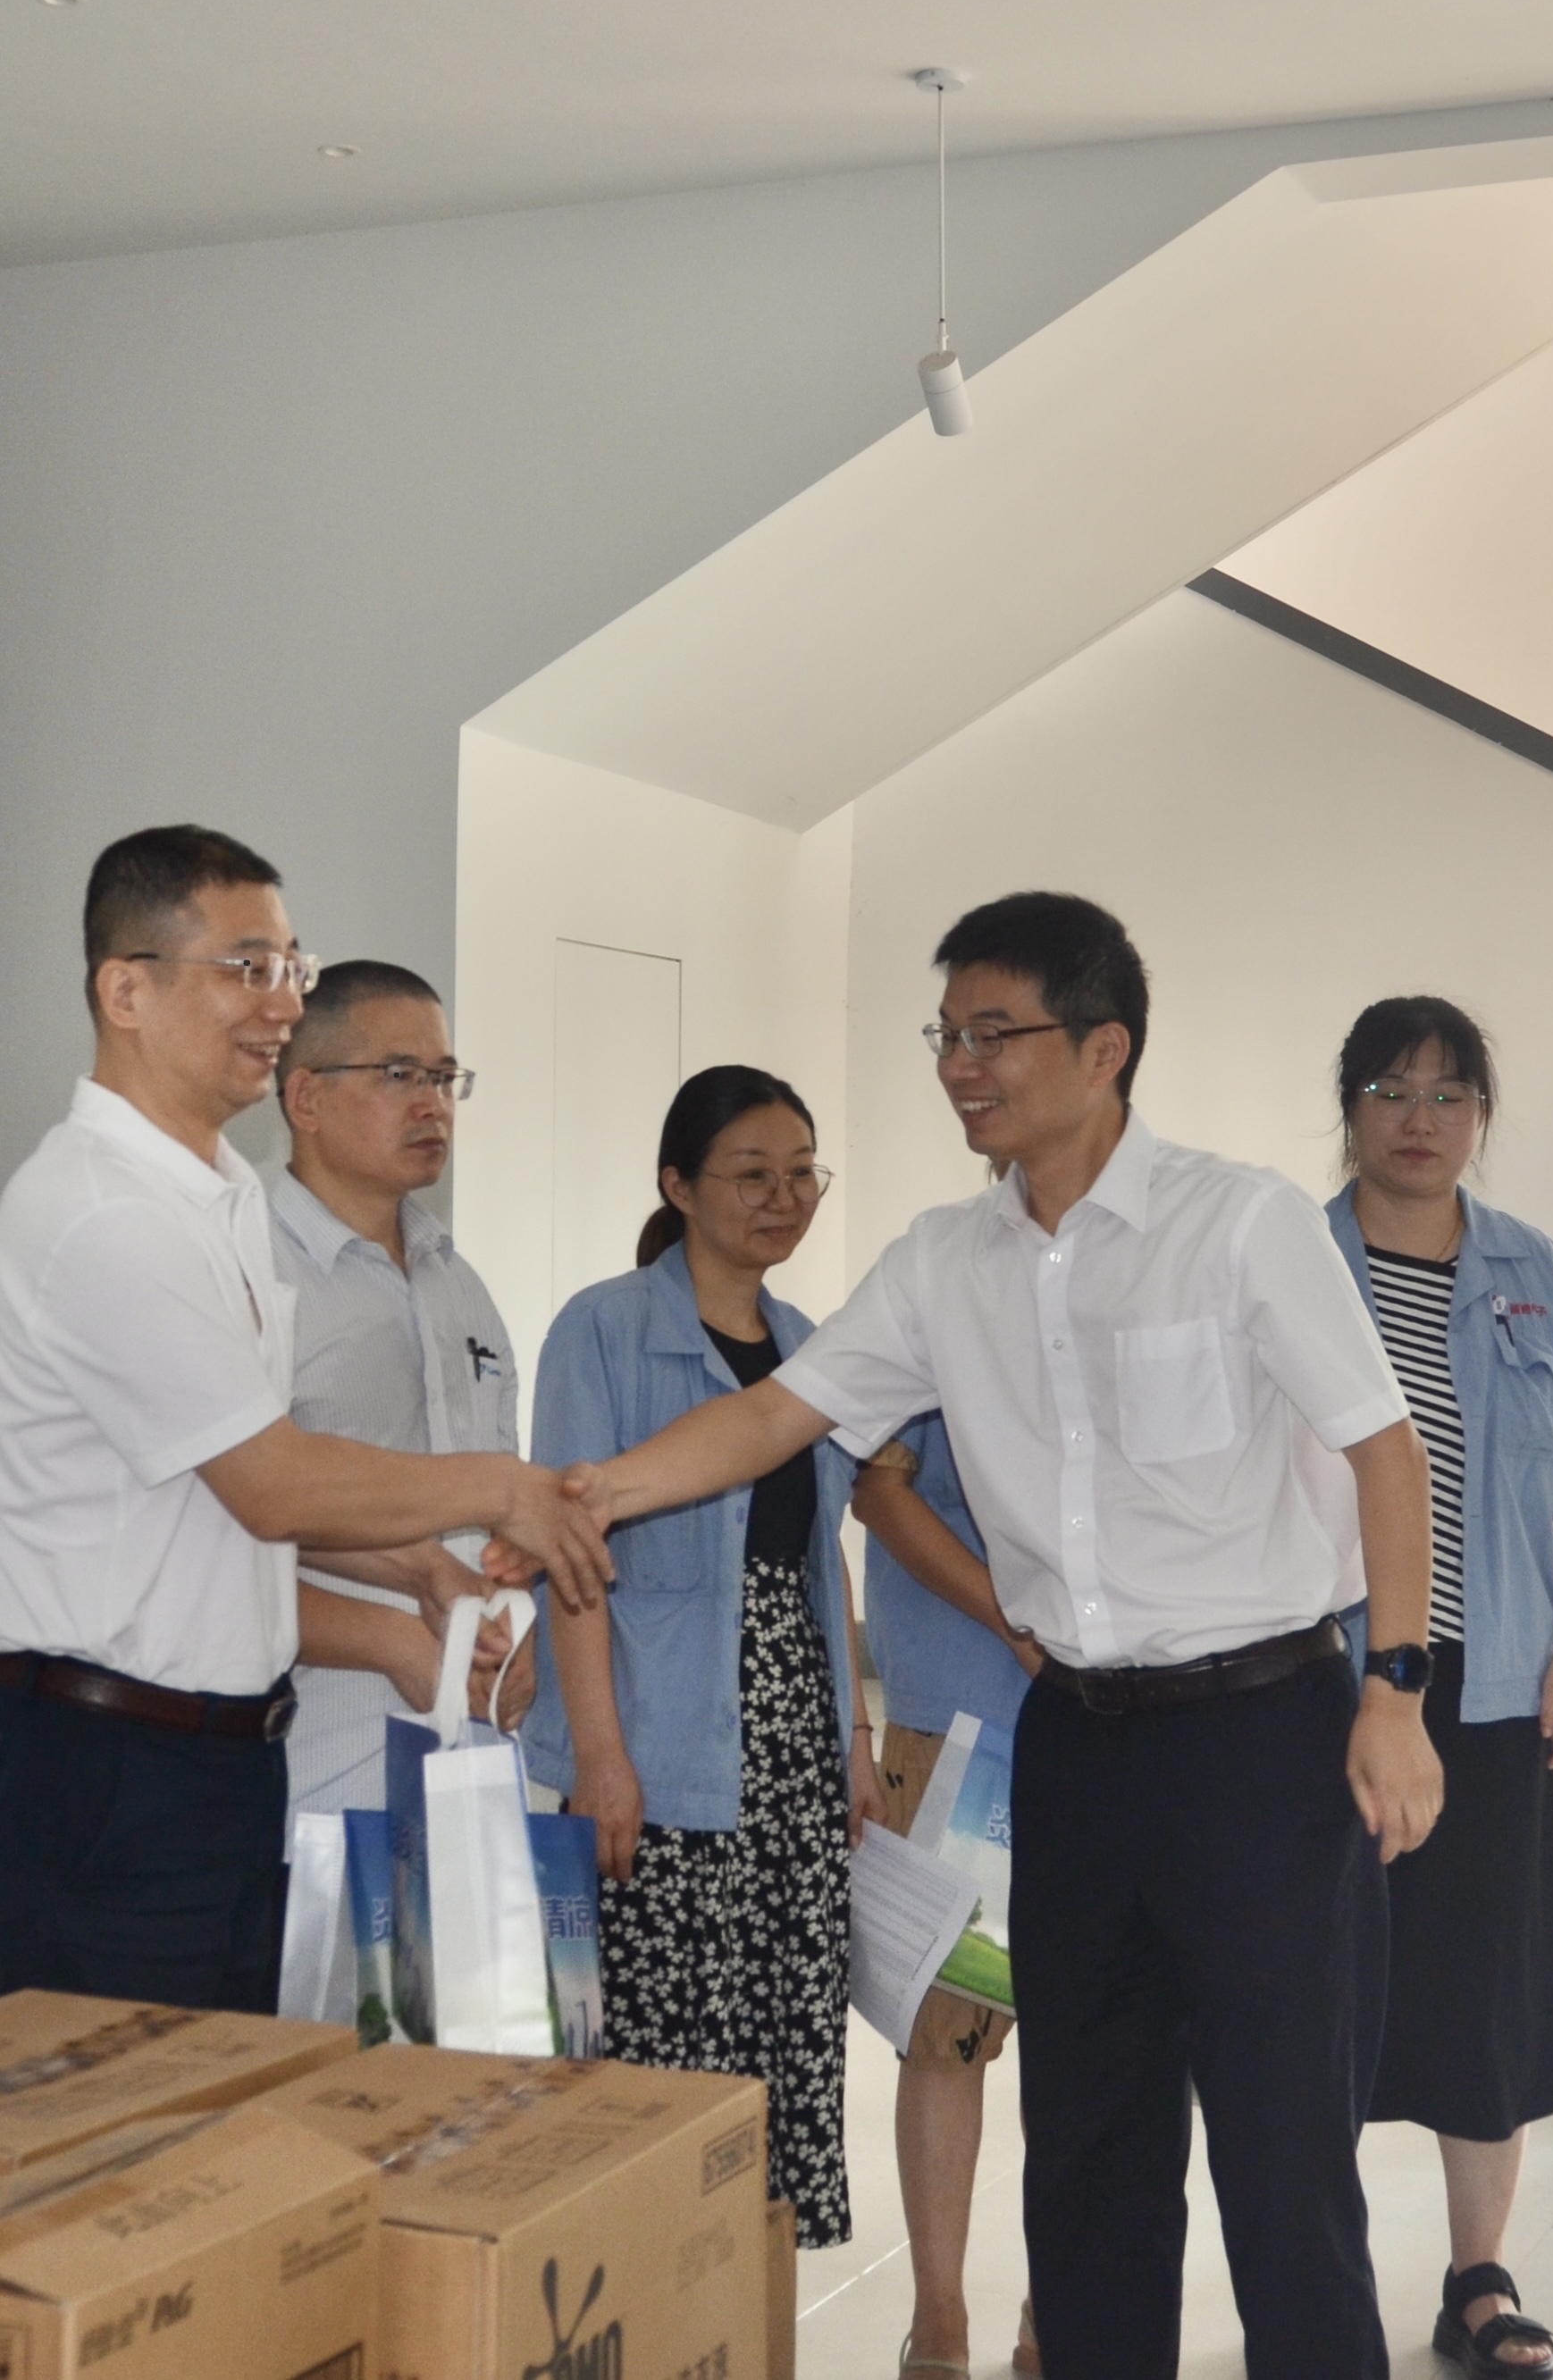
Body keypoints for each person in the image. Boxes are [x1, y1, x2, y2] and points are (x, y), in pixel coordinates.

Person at [529, 892, 1446, 2380]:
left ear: (1103, 1049)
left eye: (993, 1034)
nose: (960, 1066)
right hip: (1072, 1736)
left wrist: (1393, 1693)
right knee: (1083, 2149)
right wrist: (589, 1493)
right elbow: (777, 1414)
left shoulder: (1237, 1223)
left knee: (1282, 2155)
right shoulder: (940, 1259)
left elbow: (1382, 1449)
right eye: (946, 1036)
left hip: (1260, 1733)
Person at [0, 825, 611, 2013]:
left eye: (290, 967)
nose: (282, 1002)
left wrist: (417, 1567)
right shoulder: (102, 1210)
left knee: (248, 2117)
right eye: (247, 967)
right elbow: (273, 1484)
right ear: (126, 991)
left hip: (221, 1765)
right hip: (107, 1766)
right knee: (137, 2123)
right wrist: (500, 1490)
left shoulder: (215, 1197)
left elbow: (217, 1500)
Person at [1324, 997, 1553, 2380]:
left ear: (1479, 1116)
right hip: (1325, 1682)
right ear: (1347, 1106)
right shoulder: (1291, 1265)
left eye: (1447, 1094)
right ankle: (1314, 2281)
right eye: (1390, 1090)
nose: (1419, 1119)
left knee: (1484, 1985)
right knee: (1316, 1987)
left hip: (1492, 1682)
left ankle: (1478, 2274)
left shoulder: (1531, 1268)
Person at [520, 1066, 883, 2251]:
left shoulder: (809, 1349)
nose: (784, 1199)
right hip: (660, 1745)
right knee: (659, 2058)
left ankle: (747, 2303)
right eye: (751, 1174)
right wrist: (600, 1755)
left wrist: (853, 1740)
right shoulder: (603, 1330)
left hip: (790, 1748)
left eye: (802, 1174)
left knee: (779, 2040)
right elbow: (569, 1557)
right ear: (677, 1186)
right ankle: (651, 2299)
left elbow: (819, 1559)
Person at [267, 960, 533, 1816]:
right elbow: (209, 1541)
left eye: (444, 1078)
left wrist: (517, 1616)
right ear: (306, 1097)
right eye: (398, 1075)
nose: (433, 1104)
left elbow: (496, 1508)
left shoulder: (458, 1280)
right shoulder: (251, 1273)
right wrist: (389, 1641)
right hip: (316, 1763)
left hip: (473, 1753)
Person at [853, 1410, 1045, 2378]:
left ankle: (1056, 2305)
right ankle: (939, 2320)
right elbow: (878, 1491)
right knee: (942, 2034)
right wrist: (1010, 1619)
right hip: (959, 1722)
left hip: (1115, 1721)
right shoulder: (929, 1321)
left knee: (1088, 2046)